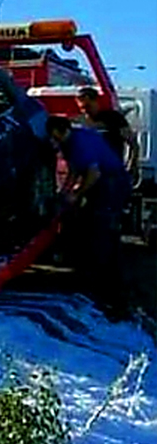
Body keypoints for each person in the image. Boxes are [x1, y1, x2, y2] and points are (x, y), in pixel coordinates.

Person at [47, 115, 132, 320]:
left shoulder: (80, 142)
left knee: (104, 230)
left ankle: (111, 291)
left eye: (52, 135)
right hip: (102, 181)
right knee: (91, 224)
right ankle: (94, 275)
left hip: (112, 182)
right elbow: (74, 171)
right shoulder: (69, 144)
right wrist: (63, 194)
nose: (51, 139)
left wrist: (77, 194)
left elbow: (94, 174)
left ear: (60, 131)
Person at [76, 87, 138, 181]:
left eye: (88, 107)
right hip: (89, 173)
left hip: (112, 172)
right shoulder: (80, 121)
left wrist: (131, 164)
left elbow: (133, 143)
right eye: (82, 108)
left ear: (96, 102)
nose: (85, 111)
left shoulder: (114, 118)